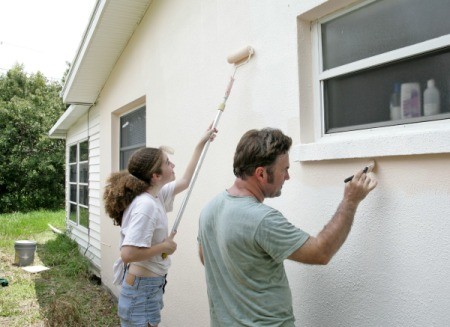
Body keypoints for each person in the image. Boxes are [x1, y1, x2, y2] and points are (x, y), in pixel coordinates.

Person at [197, 127, 377, 327]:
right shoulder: (262, 220)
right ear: (261, 173)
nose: (288, 177)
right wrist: (350, 201)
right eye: (284, 170)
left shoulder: (209, 210)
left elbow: (206, 257)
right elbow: (321, 252)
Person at [104, 125, 217, 327]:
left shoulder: (156, 195)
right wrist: (164, 247)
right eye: (167, 163)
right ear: (155, 176)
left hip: (147, 288)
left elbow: (185, 180)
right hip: (142, 292)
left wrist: (201, 143)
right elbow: (128, 254)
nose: (172, 165)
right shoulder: (146, 205)